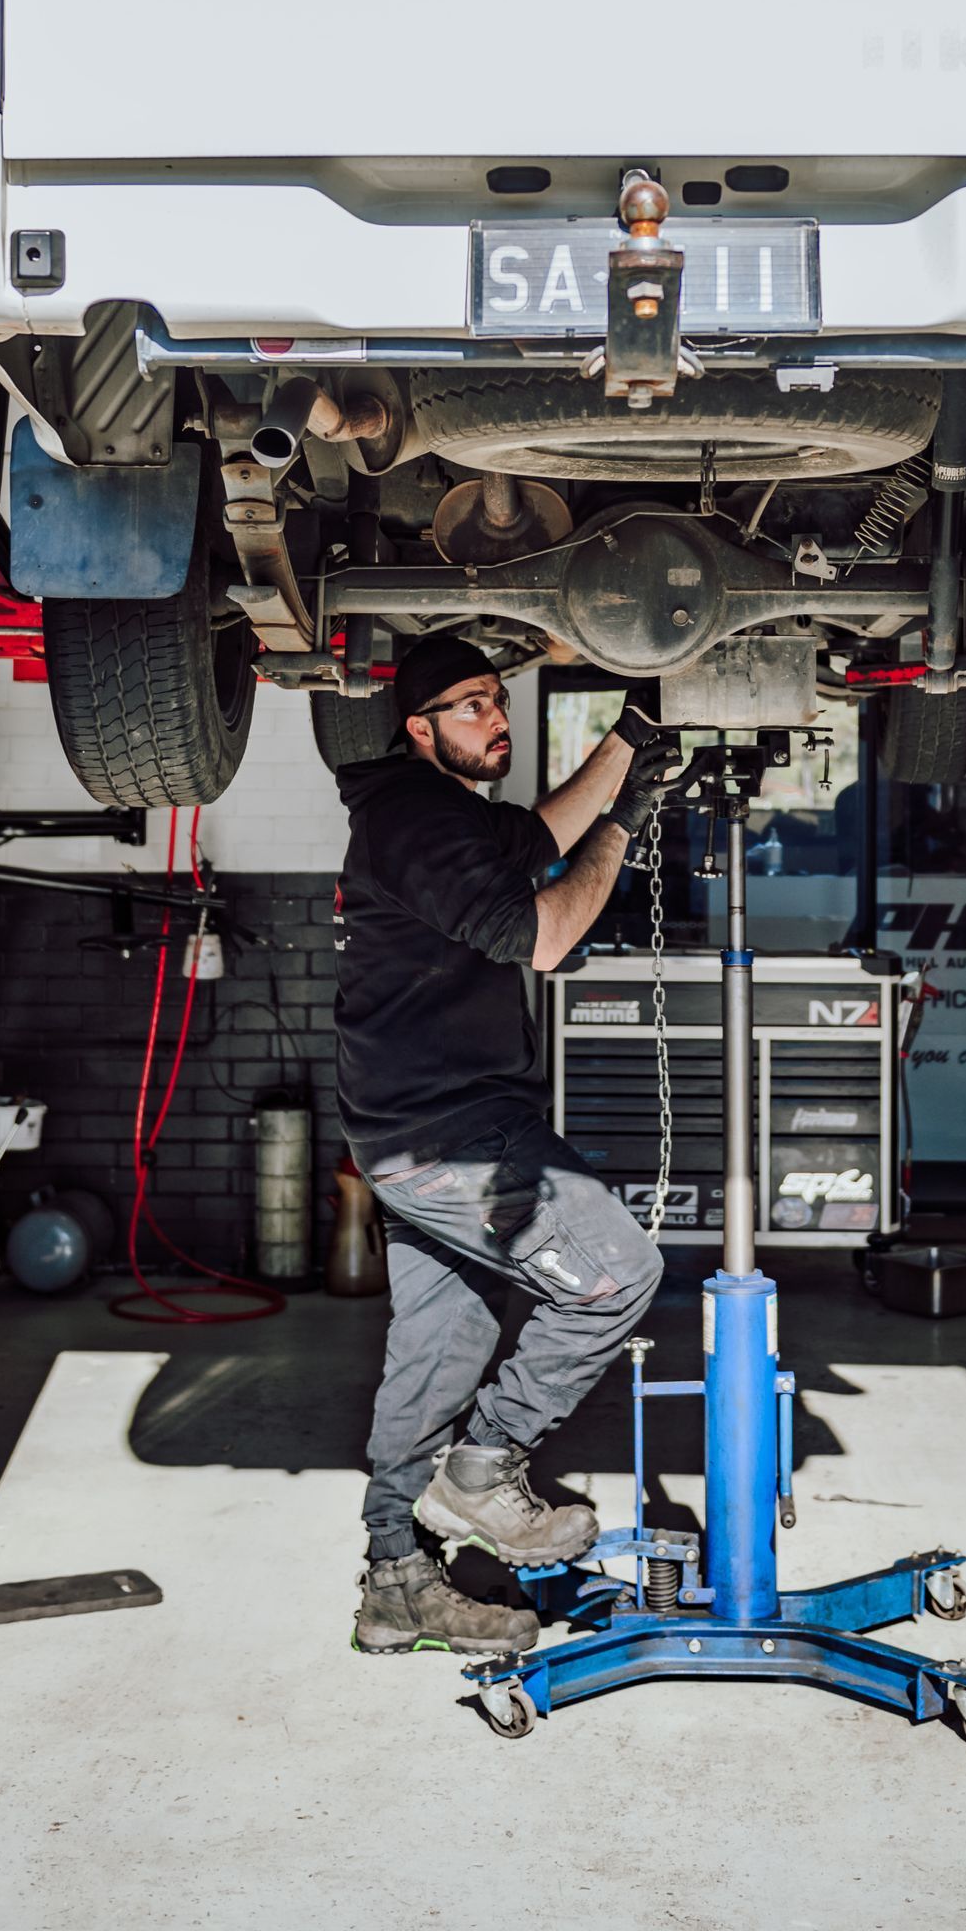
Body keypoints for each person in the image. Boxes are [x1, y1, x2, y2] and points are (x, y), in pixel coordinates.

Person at [333, 633, 683, 1658]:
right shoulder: (417, 822)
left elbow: (530, 838)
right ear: (419, 726)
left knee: (435, 1358)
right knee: (616, 1275)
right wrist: (620, 834)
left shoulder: (433, 814)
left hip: (413, 1129)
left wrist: (628, 742)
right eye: (474, 705)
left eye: (499, 701)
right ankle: (483, 1473)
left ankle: (396, 1585)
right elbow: (544, 932)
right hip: (451, 1135)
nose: (498, 719)